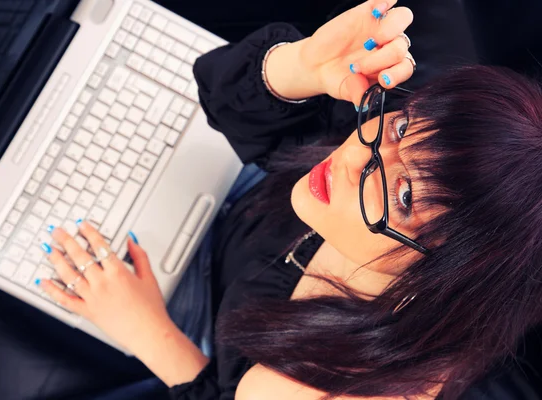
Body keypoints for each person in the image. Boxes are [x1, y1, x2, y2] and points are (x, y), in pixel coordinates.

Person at [34, 0, 542, 398]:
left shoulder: (327, 387)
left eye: (406, 194)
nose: (353, 158)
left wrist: (149, 331)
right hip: (230, 216)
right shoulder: (380, 144)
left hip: (198, 331)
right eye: (405, 125)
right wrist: (302, 64)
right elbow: (229, 101)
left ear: (442, 278)